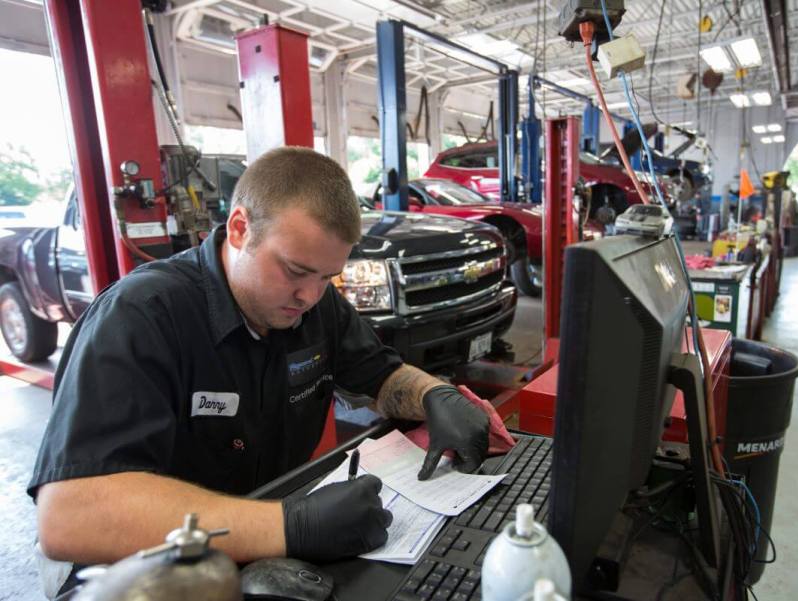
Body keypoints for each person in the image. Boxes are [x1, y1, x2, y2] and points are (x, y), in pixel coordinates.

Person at [28, 147, 490, 597]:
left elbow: (381, 377)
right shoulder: (142, 315)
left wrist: (434, 395)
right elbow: (70, 517)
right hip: (128, 571)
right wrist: (290, 526)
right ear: (239, 228)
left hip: (258, 538)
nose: (309, 296)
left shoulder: (313, 306)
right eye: (294, 270)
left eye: (327, 277)